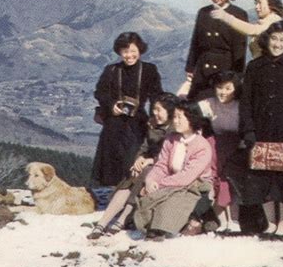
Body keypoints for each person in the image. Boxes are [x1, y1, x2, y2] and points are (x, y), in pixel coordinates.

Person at [239, 21, 283, 239]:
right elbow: (246, 102)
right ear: (267, 40)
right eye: (274, 39)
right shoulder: (254, 66)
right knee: (263, 177)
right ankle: (270, 223)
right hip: (261, 130)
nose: (277, 44)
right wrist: (249, 130)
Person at [87, 93, 179, 239]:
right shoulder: (153, 124)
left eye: (159, 110)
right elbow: (144, 147)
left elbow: (173, 156)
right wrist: (139, 159)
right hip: (148, 163)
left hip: (164, 168)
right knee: (132, 177)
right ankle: (103, 222)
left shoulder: (175, 130)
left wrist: (151, 161)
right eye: (154, 109)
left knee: (145, 173)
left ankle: (122, 219)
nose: (155, 113)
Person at [133, 100, 214, 241]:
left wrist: (161, 184)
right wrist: (151, 180)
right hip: (171, 180)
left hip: (195, 184)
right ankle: (150, 225)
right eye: (174, 117)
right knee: (152, 196)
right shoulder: (171, 139)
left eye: (180, 118)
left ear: (192, 119)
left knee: (173, 201)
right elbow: (162, 164)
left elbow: (187, 176)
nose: (175, 121)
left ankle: (160, 229)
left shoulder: (202, 146)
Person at [92, 32, 162, 186]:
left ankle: (130, 191)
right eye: (125, 52)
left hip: (138, 122)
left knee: (133, 158)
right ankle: (110, 195)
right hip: (114, 122)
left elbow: (156, 95)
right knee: (111, 162)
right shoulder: (111, 70)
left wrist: (155, 117)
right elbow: (100, 92)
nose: (129, 55)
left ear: (140, 51)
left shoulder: (149, 70)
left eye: (132, 51)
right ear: (119, 52)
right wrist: (112, 105)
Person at [185, 0, 248, 101]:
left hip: (224, 68)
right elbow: (195, 41)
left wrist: (236, 76)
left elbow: (239, 49)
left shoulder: (239, 14)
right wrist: (190, 67)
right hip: (203, 67)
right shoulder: (203, 12)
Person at [197, 71, 243, 231]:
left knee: (229, 179)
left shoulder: (240, 106)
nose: (223, 92)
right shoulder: (211, 103)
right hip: (217, 143)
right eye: (219, 88)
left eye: (228, 88)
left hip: (237, 145)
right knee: (214, 177)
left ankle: (235, 220)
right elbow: (190, 111)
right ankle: (223, 221)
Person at [211, 0, 283, 59]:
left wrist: (226, 17)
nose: (256, 7)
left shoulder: (274, 20)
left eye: (260, 3)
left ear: (270, 4)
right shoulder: (265, 22)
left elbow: (253, 30)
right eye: (256, 3)